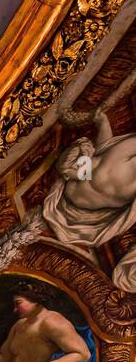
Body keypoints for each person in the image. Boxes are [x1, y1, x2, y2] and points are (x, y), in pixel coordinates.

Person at [43, 111, 136, 291]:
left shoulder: (126, 151)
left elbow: (99, 157)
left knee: (88, 157)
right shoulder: (124, 153)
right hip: (77, 194)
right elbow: (101, 155)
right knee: (88, 157)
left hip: (77, 194)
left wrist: (101, 122)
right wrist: (101, 121)